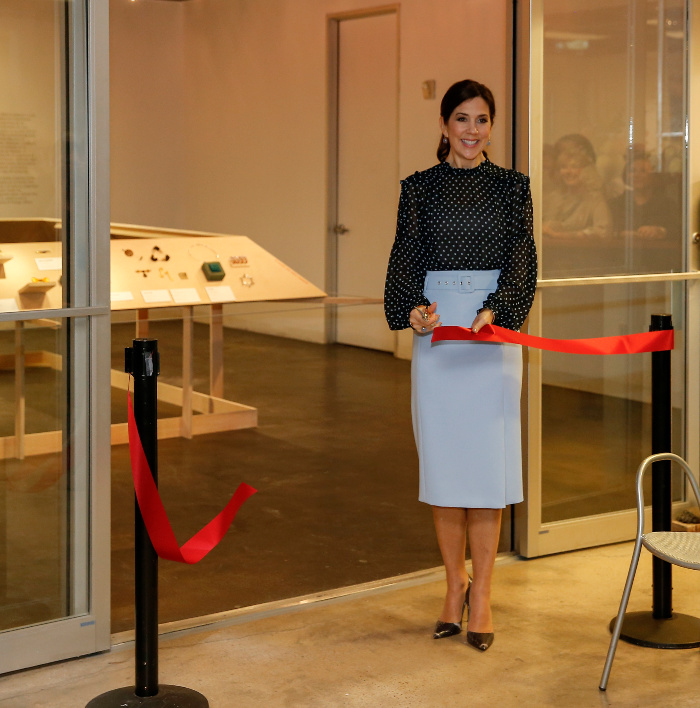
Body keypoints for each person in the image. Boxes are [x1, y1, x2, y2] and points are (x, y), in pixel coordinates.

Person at [384, 80, 537, 652]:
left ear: (491, 126)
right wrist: (413, 313)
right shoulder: (419, 189)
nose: (473, 131)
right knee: (448, 473)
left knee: (487, 477)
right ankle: (454, 589)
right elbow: (405, 259)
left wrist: (498, 311)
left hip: (492, 334)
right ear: (445, 125)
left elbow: (523, 261)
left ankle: (486, 595)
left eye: (483, 120)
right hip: (439, 334)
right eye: (462, 119)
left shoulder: (513, 189)